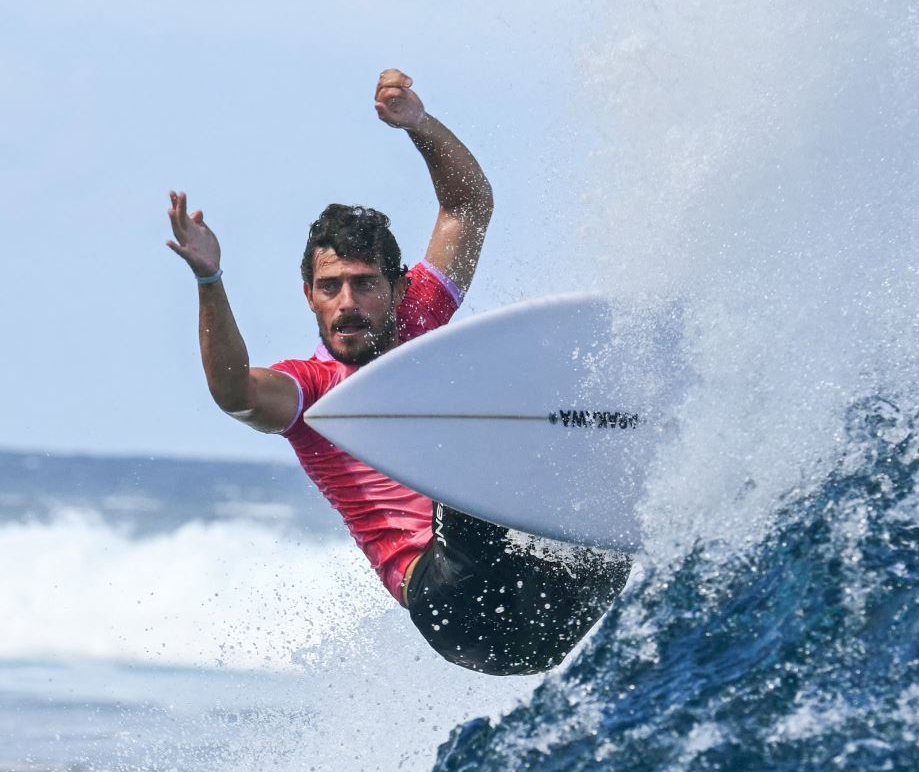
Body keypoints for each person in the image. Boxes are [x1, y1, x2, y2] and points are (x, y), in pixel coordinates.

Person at [166, 70, 627, 675]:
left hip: (541, 613)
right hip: (451, 604)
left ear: (399, 286)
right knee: (478, 405)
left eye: (364, 284)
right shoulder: (311, 392)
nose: (347, 303)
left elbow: (468, 205)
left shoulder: (421, 322)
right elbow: (234, 393)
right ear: (309, 296)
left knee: (617, 544)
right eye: (330, 287)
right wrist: (209, 279)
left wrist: (418, 124)